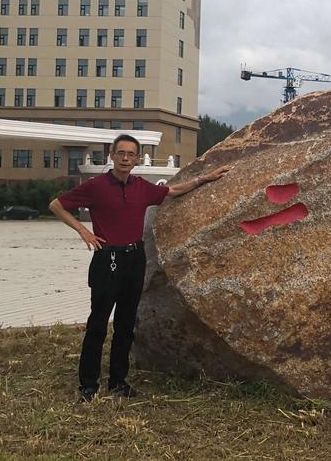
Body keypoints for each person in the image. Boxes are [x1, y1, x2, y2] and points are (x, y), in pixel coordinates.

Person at [49, 134, 230, 402]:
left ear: (136, 159)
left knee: (125, 325)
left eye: (130, 154)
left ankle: (118, 382)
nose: (125, 158)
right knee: (97, 324)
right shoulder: (96, 186)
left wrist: (205, 178)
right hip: (106, 259)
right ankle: (88, 384)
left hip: (135, 259)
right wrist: (82, 231)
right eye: (120, 153)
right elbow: (56, 205)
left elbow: (172, 191)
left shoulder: (140, 187)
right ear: (112, 155)